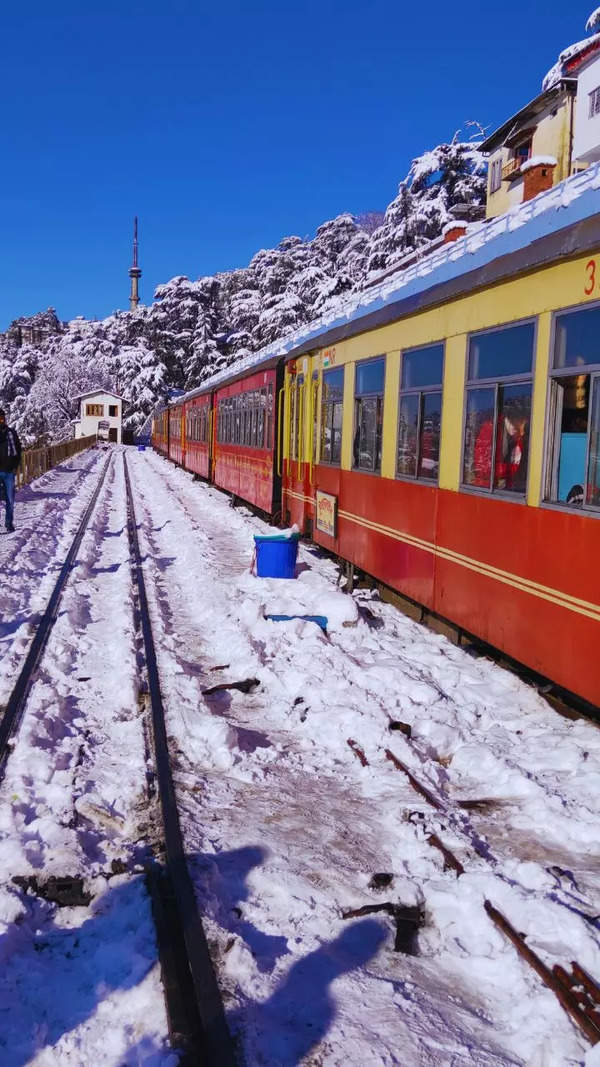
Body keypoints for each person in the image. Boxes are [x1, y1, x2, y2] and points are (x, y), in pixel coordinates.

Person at [0, 409, 22, 532]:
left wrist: (15, 467)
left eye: (2, 418)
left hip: (9, 472)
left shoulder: (11, 433)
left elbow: (18, 450)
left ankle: (9, 523)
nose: (1, 421)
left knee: (10, 499)